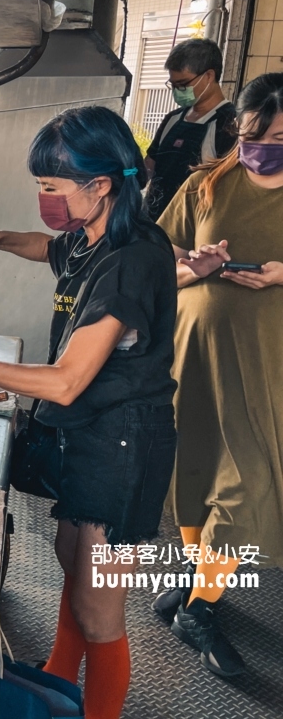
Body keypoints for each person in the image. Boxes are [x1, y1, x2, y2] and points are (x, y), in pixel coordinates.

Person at [0, 107, 178, 719]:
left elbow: (68, 381)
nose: (44, 199)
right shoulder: (93, 235)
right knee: (72, 569)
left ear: (101, 185)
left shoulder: (133, 260)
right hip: (89, 435)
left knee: (100, 609)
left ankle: (95, 710)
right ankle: (57, 685)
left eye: (52, 187)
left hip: (124, 446)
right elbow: (49, 248)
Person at [150, 72, 283, 678]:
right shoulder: (205, 186)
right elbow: (157, 256)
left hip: (266, 357)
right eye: (257, 134)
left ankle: (199, 608)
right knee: (196, 464)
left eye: (280, 136)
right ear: (238, 129)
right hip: (195, 349)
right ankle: (196, 584)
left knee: (251, 477)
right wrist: (192, 267)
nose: (266, 146)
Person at [144, 39, 237, 222]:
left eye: (183, 84)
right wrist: (124, 174)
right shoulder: (173, 119)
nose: (178, 90)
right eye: (174, 85)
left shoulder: (229, 124)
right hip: (153, 220)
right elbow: (149, 165)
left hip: (193, 226)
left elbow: (229, 188)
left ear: (209, 76)